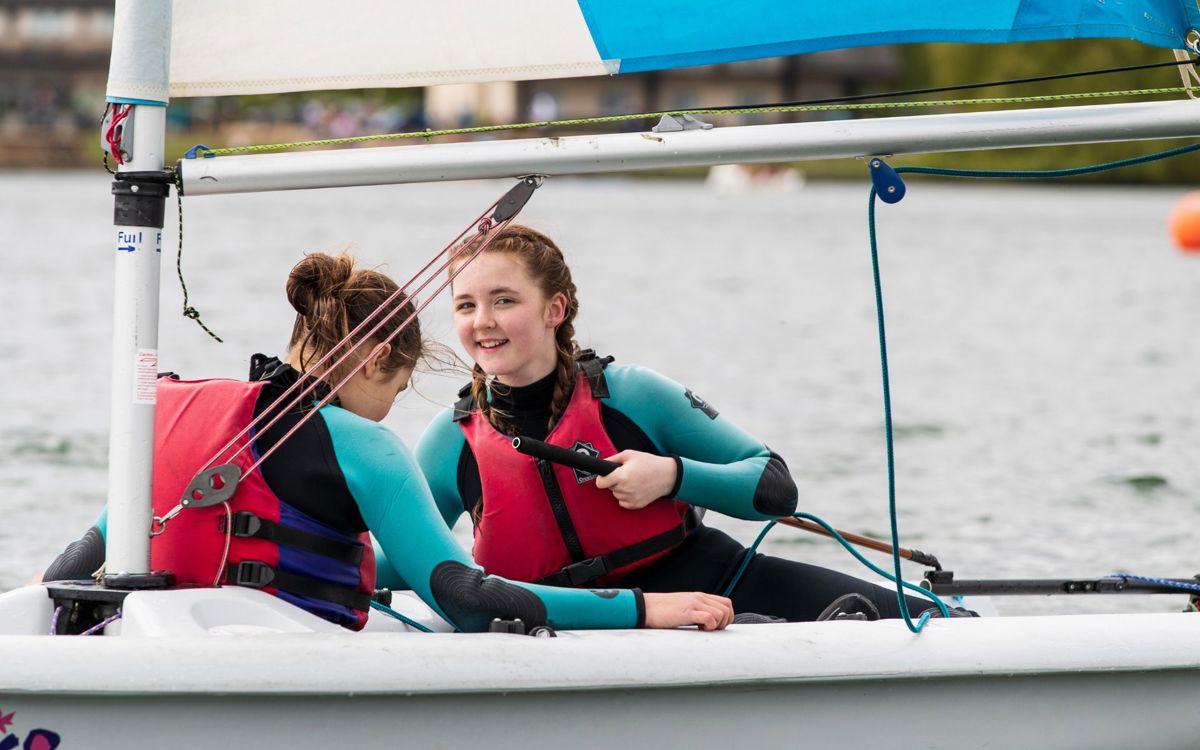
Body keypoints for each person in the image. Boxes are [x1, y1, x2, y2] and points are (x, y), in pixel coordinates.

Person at [43, 252, 733, 633]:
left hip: (139, 637)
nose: (390, 412)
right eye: (397, 390)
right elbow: (464, 596)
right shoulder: (365, 447)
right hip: (267, 661)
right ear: (374, 360)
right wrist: (643, 609)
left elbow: (76, 560)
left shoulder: (173, 410)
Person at [417, 225, 944, 622]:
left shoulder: (630, 394)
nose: (481, 320)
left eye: (503, 300)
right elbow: (407, 558)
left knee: (939, 623)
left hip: (718, 583)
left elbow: (775, 487)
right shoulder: (450, 440)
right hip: (567, 626)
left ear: (554, 309)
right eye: (465, 305)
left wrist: (670, 476)